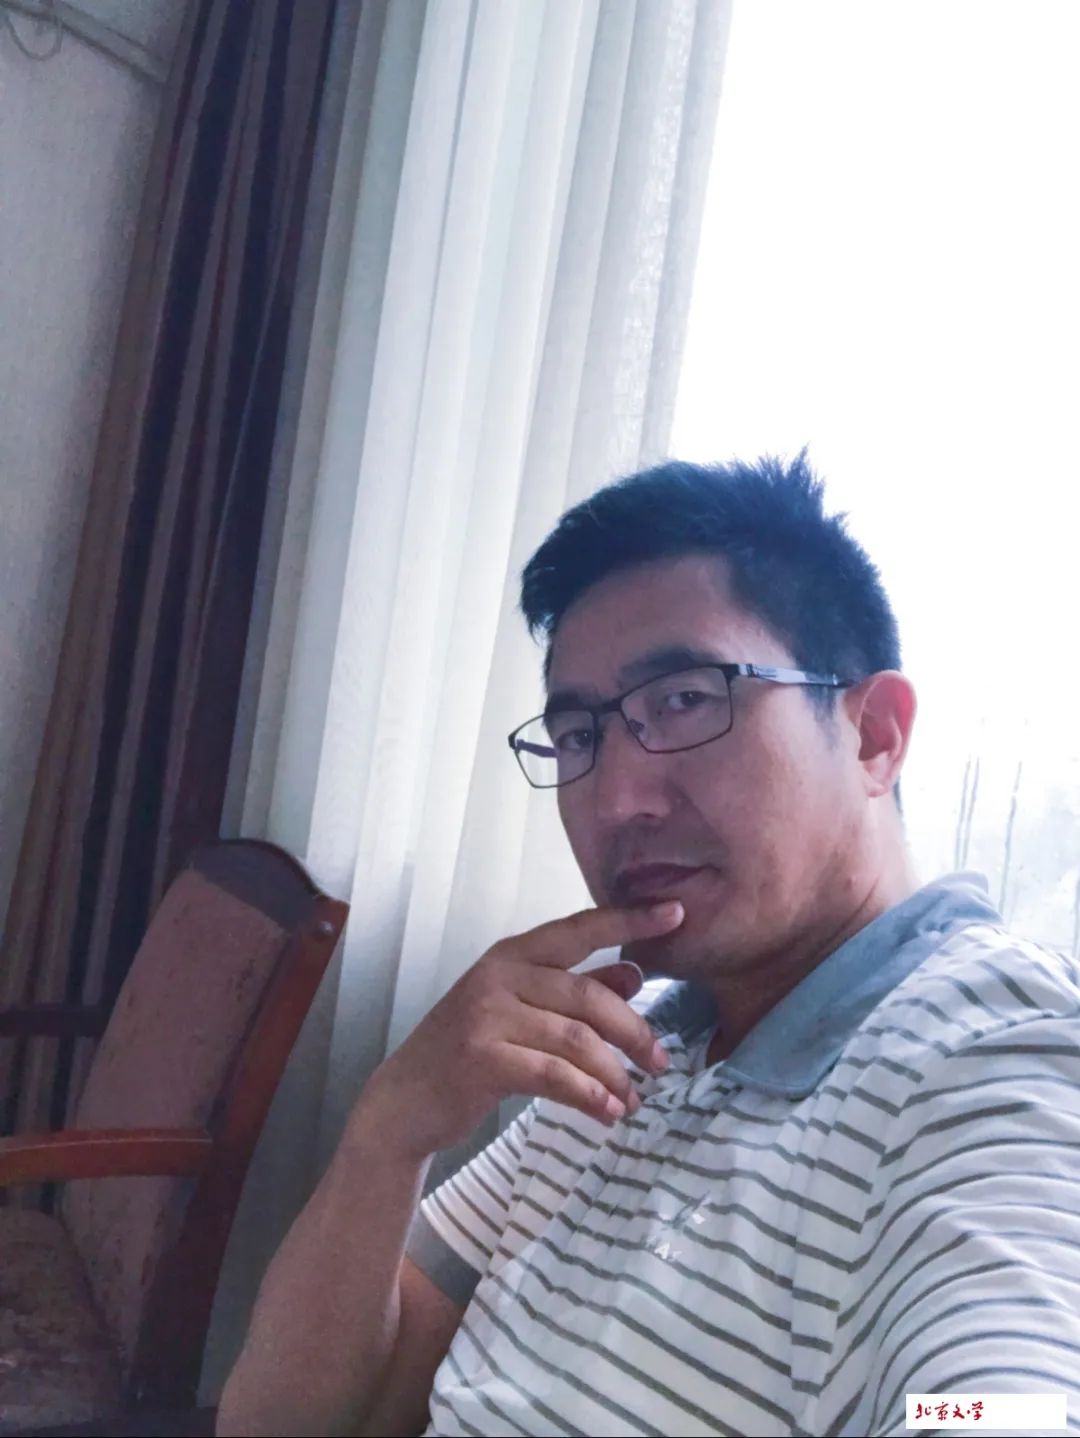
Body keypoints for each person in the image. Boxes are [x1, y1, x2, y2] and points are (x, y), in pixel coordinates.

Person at [217, 454, 1080, 1438]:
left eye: (685, 701)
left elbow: (1012, 1407)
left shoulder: (995, 1054)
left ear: (874, 735)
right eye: (580, 735)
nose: (618, 800)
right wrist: (391, 1128)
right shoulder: (634, 1043)